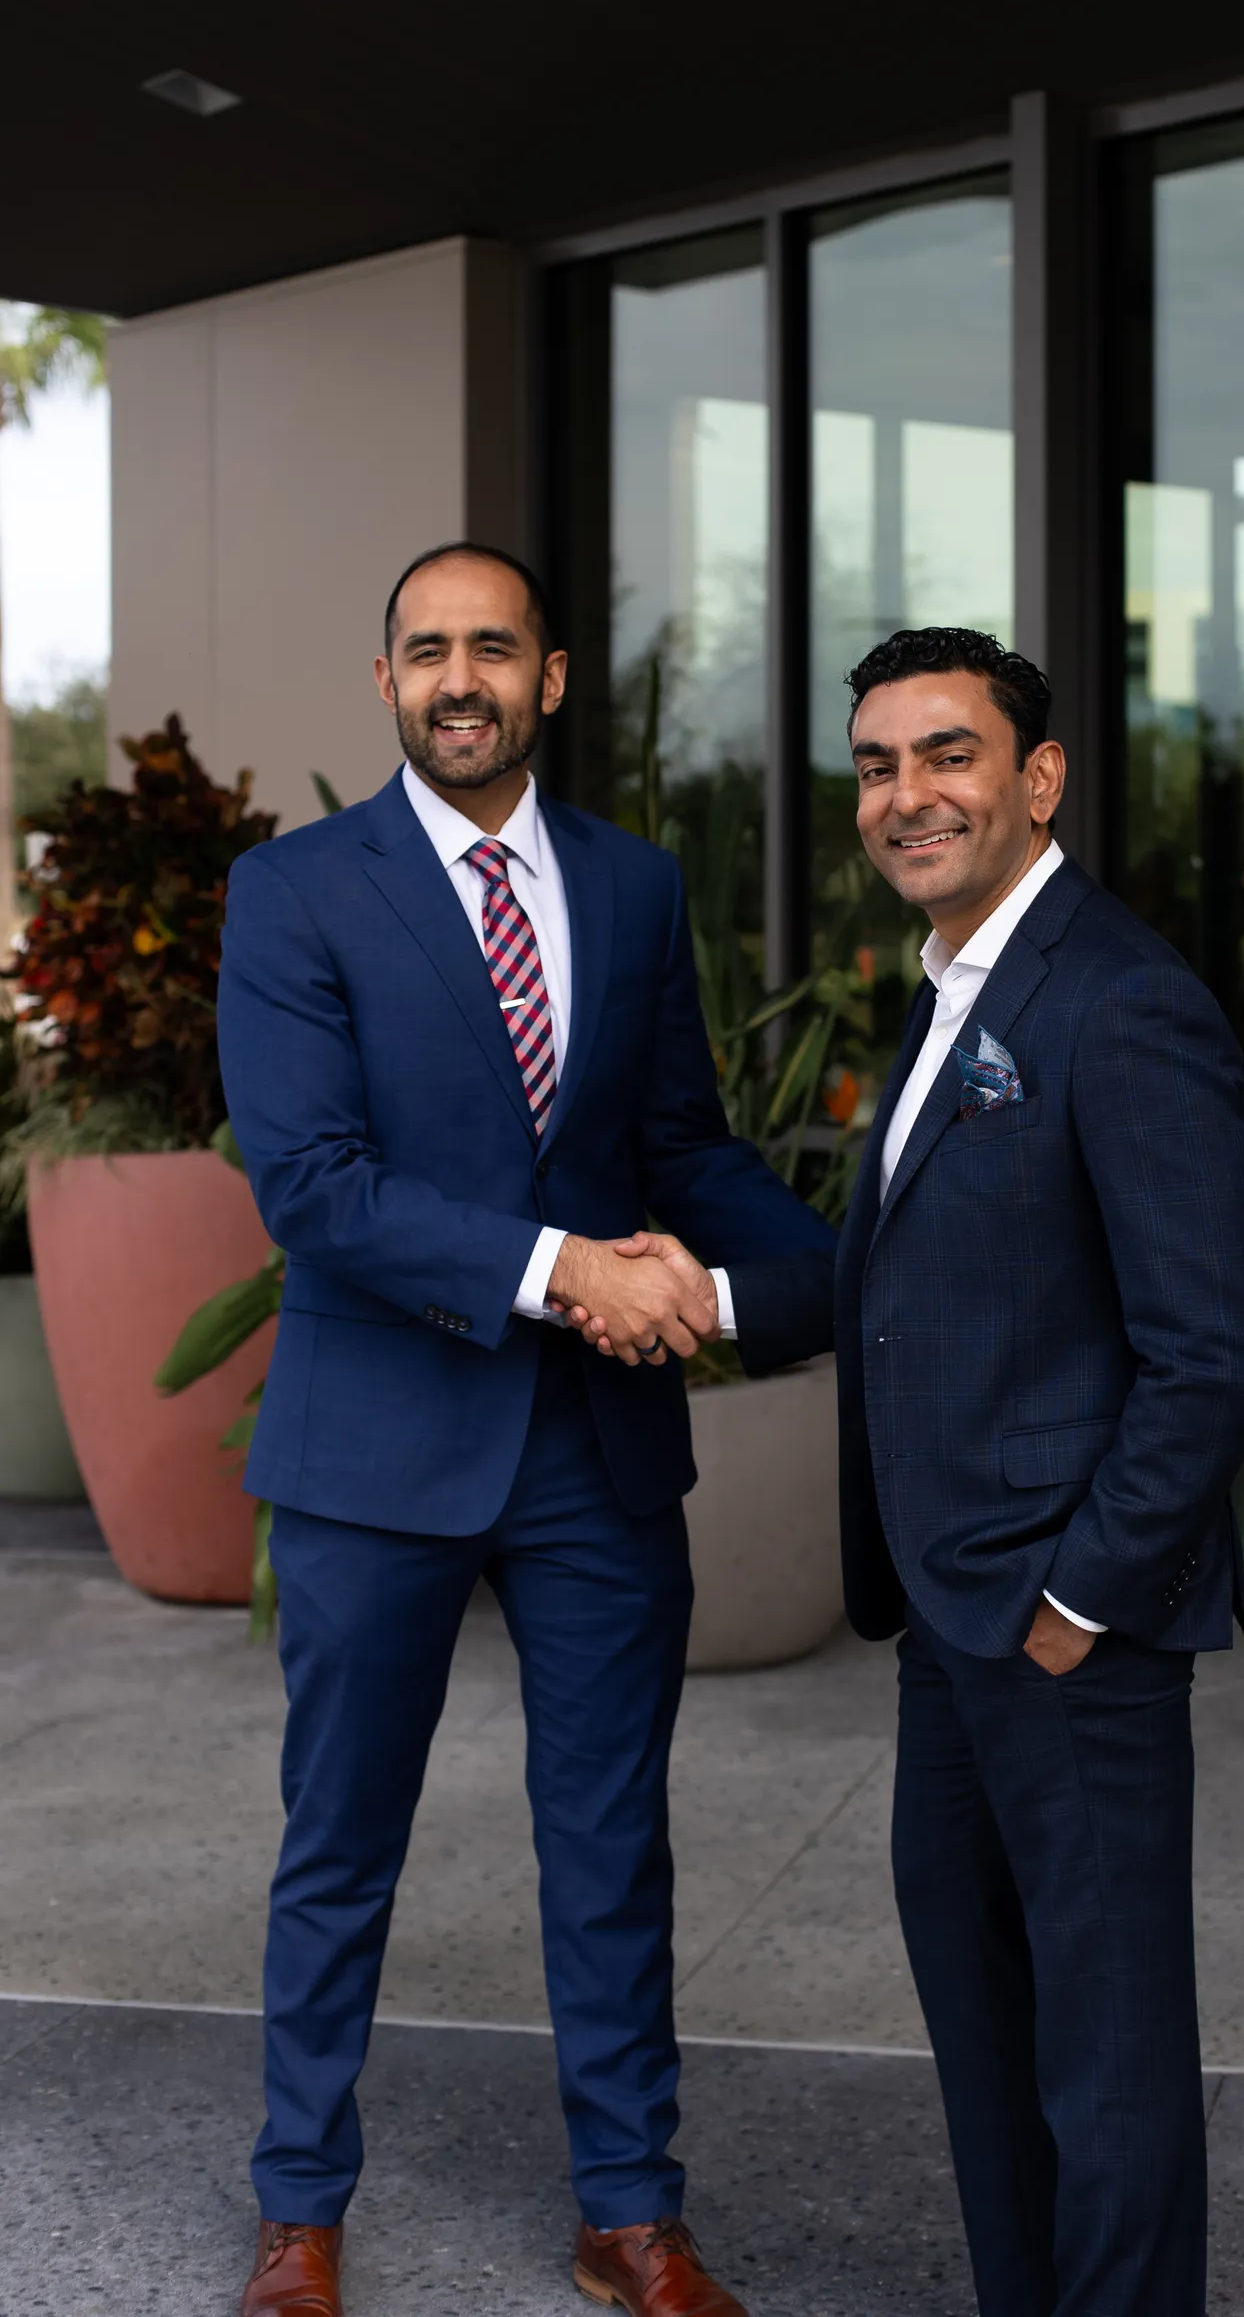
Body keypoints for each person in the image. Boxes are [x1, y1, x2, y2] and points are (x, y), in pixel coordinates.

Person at [216, 541, 835, 2317]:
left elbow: (684, 1145)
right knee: (339, 1838)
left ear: (552, 677)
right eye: (426, 651)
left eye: (494, 646)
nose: (460, 676)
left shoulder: (635, 891)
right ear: (388, 683)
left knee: (610, 1837)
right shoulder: (295, 891)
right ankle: (298, 2209)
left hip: (593, 1454)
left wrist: (861, 1265)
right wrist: (573, 1270)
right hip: (375, 1446)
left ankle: (629, 2213)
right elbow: (315, 1189)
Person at [832, 627, 1244, 2317]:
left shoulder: (1119, 996)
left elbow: (1208, 1349)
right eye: (877, 764)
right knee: (984, 2018)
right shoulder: (956, 988)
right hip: (950, 1624)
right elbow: (902, 1278)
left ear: (1036, 778)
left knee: (1103, 2052)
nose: (905, 795)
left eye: (946, 755)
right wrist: (686, 1285)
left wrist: (1080, 1599)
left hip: (1057, 1626)